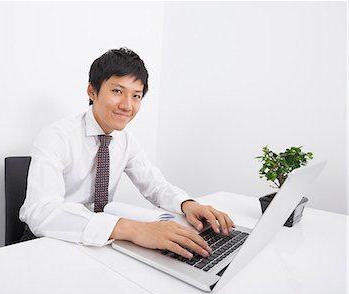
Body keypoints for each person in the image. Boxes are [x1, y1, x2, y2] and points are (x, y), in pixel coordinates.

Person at [19, 47, 234, 259]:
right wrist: (133, 229)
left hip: (98, 244)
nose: (127, 105)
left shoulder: (125, 141)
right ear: (92, 91)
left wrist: (187, 204)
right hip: (48, 241)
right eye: (117, 91)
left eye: (136, 96)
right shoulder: (56, 136)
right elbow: (41, 212)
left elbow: (155, 186)